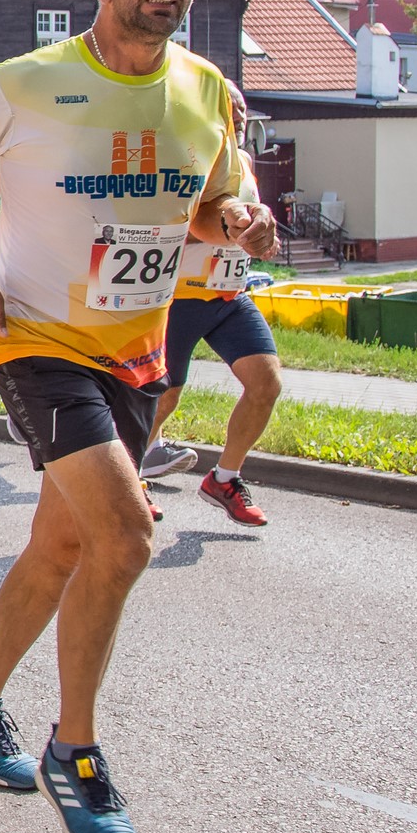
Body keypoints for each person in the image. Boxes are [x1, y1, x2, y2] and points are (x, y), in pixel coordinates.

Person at [0, 0, 277, 833]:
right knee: (125, 534)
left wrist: (241, 222)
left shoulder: (206, 91)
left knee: (62, 544)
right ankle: (75, 750)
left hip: (135, 350)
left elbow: (210, 207)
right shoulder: (24, 83)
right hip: (33, 338)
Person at [139, 79, 280, 526]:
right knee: (161, 399)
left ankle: (224, 479)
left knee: (266, 383)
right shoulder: (187, 159)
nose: (236, 119)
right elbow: (176, 224)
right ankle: (129, 480)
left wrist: (262, 240)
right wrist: (224, 231)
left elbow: (251, 223)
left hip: (229, 295)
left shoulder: (243, 162)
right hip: (179, 296)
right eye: (227, 112)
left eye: (241, 112)